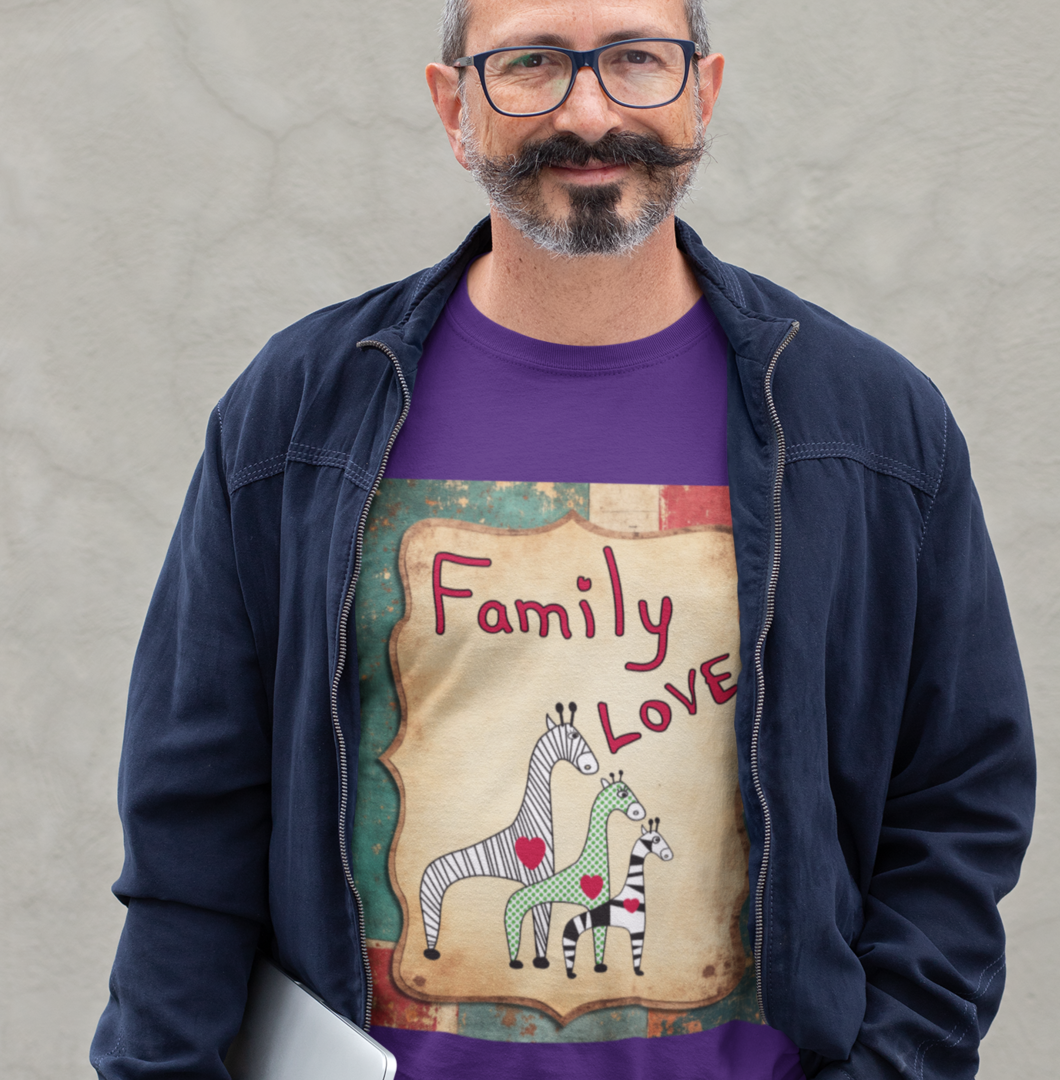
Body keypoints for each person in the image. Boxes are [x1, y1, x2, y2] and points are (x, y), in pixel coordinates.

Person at [90, 0, 1034, 1077]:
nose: (588, 111)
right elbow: (189, 824)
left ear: (704, 91)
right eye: (532, 63)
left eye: (637, 59)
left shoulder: (871, 428)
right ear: (454, 107)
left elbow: (958, 799)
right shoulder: (294, 418)